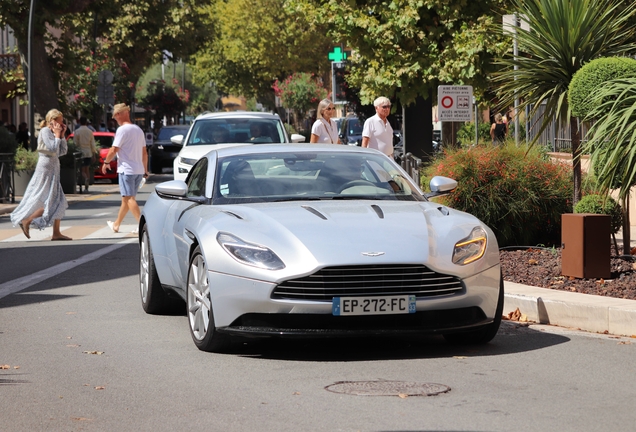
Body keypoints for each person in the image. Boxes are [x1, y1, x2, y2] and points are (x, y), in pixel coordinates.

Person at [10, 109, 72, 241]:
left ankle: (56, 233)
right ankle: (27, 220)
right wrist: (56, 135)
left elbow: (62, 151)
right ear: (53, 121)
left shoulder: (55, 132)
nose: (62, 124)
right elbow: (52, 149)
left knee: (59, 200)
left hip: (54, 168)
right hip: (46, 169)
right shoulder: (45, 131)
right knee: (47, 199)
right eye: (60, 121)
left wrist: (62, 135)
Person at [102, 103, 149, 234]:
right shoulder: (138, 130)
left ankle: (142, 225)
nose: (115, 120)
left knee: (129, 199)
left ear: (119, 114)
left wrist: (106, 162)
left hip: (126, 170)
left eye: (115, 117)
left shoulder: (122, 130)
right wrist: (145, 170)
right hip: (138, 170)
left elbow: (114, 149)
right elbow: (144, 152)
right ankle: (116, 224)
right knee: (126, 199)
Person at [74, 116, 97, 191]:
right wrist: (94, 154)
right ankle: (87, 186)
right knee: (87, 168)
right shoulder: (90, 131)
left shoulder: (77, 131)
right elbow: (92, 143)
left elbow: (75, 143)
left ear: (80, 122)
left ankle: (85, 178)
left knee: (82, 169)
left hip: (81, 152)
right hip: (88, 152)